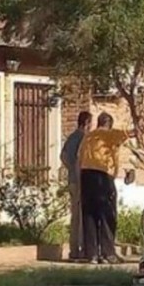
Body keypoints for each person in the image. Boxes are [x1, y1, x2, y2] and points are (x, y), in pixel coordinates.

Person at [77, 112, 134, 264]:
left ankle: (92, 255)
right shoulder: (111, 134)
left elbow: (79, 158)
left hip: (85, 175)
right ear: (110, 124)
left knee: (89, 215)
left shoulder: (88, 137)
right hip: (102, 176)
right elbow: (132, 133)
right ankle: (108, 253)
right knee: (107, 214)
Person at [60, 111, 92, 261]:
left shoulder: (72, 137)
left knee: (75, 216)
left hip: (73, 180)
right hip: (80, 181)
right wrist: (76, 170)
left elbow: (63, 156)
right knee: (82, 216)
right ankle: (80, 248)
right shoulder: (83, 138)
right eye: (90, 123)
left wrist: (71, 169)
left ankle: (74, 249)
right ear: (86, 123)